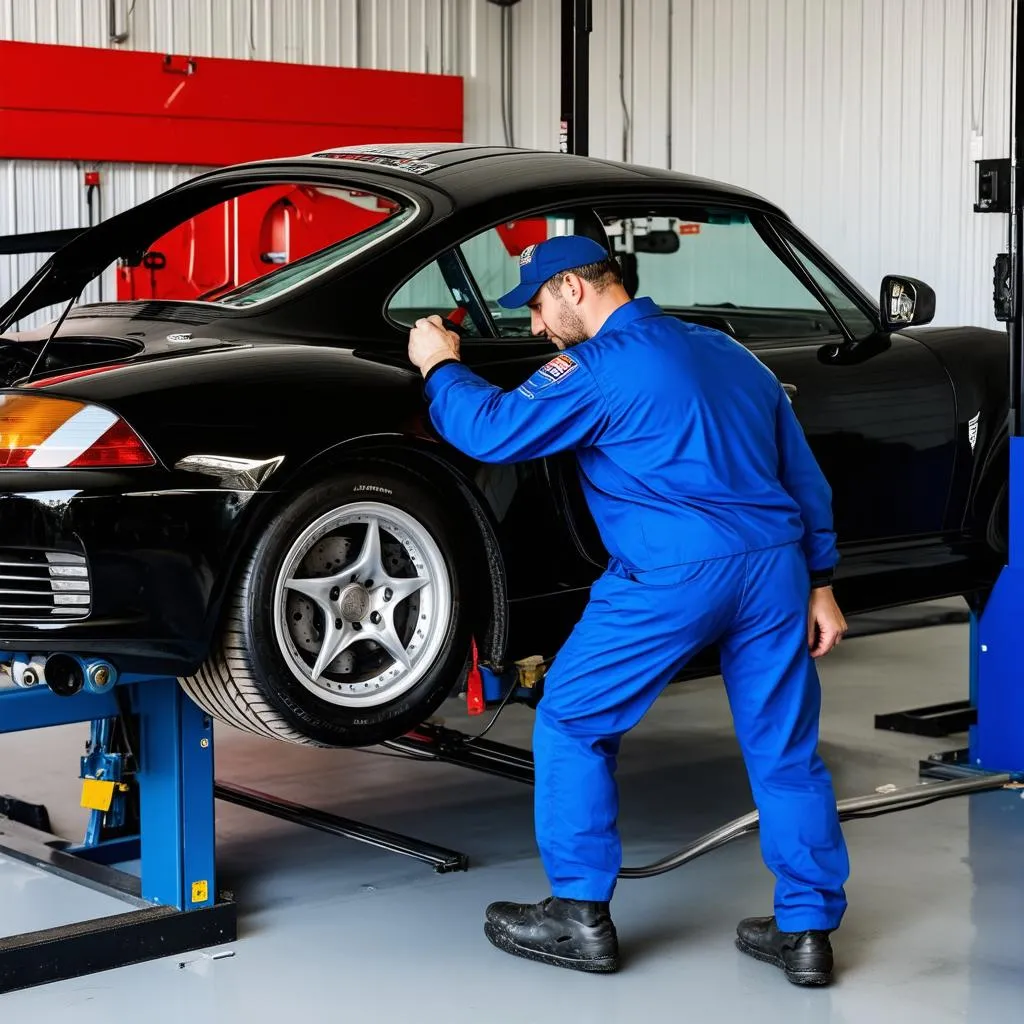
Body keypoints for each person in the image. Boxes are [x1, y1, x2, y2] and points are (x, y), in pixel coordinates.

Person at [406, 234, 850, 985]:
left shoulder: (599, 366)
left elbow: (492, 431)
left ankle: (578, 918)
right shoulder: (728, 351)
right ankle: (806, 932)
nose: (539, 328)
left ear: (576, 289)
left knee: (573, 719)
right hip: (775, 569)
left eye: (540, 307)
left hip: (673, 574)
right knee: (785, 751)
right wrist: (822, 580)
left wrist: (439, 364)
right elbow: (801, 474)